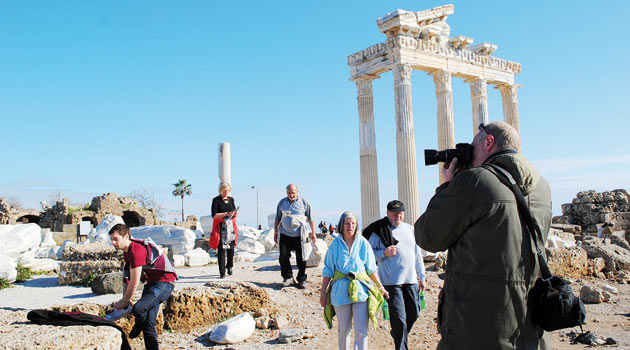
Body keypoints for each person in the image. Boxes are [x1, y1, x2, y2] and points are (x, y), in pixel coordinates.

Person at [415, 121, 552, 350]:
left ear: (488, 142)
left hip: (474, 329)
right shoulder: (542, 187)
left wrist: (449, 186)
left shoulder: (474, 182)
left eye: (472, 146)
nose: (469, 153)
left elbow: (427, 236)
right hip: (529, 331)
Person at [320, 211, 389, 350]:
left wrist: (381, 287)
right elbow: (328, 270)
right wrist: (323, 293)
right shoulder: (335, 245)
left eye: (353, 224)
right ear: (341, 225)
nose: (350, 226)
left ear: (356, 225)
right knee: (344, 329)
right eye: (347, 223)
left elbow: (371, 269)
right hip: (340, 291)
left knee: (361, 330)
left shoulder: (363, 242)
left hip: (361, 290)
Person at [365, 200, 426, 350]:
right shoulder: (379, 230)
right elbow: (367, 254)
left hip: (410, 280)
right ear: (388, 213)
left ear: (403, 214)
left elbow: (417, 255)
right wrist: (383, 253)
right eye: (394, 213)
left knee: (414, 313)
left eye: (400, 213)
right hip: (391, 282)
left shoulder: (410, 229)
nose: (397, 216)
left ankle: (398, 335)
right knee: (399, 319)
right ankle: (401, 346)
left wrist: (422, 276)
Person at [109, 224, 177, 350]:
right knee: (149, 324)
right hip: (152, 283)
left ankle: (137, 326)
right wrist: (125, 300)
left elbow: (134, 283)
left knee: (139, 309)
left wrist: (124, 302)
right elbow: (126, 279)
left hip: (165, 283)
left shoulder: (136, 250)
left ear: (126, 236)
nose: (113, 243)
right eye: (111, 239)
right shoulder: (127, 251)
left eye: (116, 239)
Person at [274, 184, 316, 289]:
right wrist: (275, 234)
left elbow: (311, 219)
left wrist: (313, 233)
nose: (291, 195)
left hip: (300, 235)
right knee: (283, 256)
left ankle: (301, 278)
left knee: (302, 257)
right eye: (288, 193)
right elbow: (277, 219)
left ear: (297, 191)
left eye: (293, 192)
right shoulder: (282, 203)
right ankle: (288, 277)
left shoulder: (304, 203)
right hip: (285, 234)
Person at [209, 182, 239, 279]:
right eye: (224, 191)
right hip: (221, 227)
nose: (226, 192)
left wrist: (234, 213)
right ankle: (222, 272)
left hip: (230, 227)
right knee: (221, 250)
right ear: (221, 190)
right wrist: (226, 214)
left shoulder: (231, 200)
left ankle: (229, 266)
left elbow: (234, 211)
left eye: (227, 191)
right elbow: (214, 215)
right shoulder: (216, 200)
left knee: (231, 249)